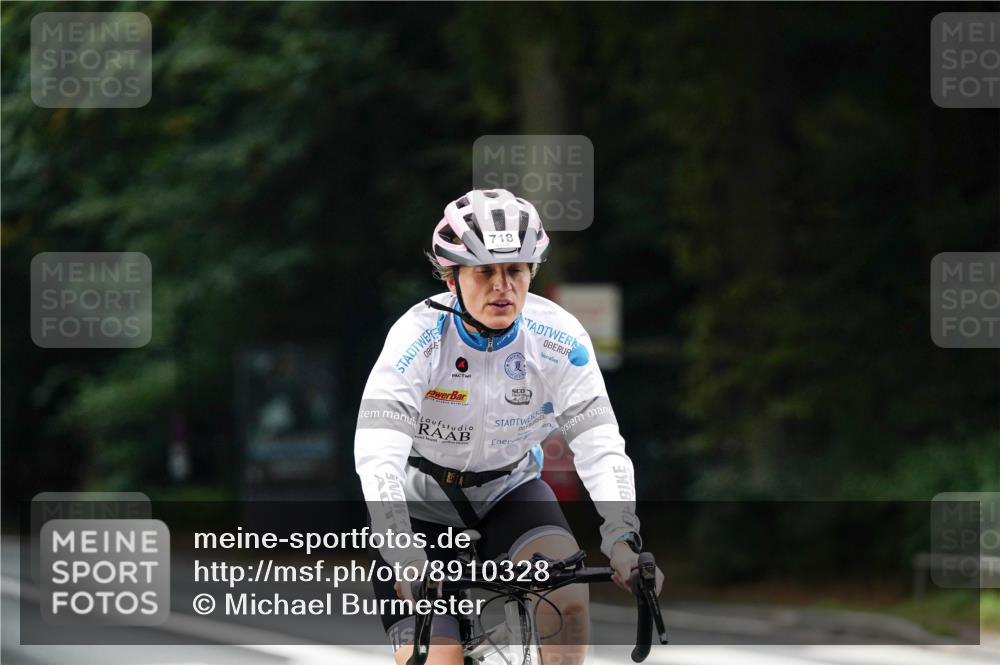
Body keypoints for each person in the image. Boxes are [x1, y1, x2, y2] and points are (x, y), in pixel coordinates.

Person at [355, 188, 662, 665]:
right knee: (438, 660)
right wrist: (401, 550)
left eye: (515, 270)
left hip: (509, 491)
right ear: (452, 279)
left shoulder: (558, 337)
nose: (502, 286)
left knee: (568, 602)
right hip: (419, 507)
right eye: (484, 272)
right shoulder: (416, 337)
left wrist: (623, 541)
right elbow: (378, 453)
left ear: (531, 273)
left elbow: (599, 443)